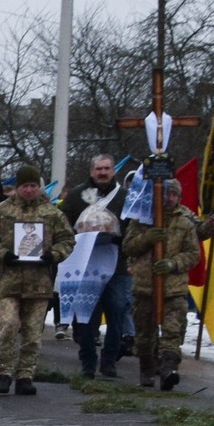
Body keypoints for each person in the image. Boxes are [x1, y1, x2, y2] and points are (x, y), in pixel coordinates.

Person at [0, 162, 73, 395]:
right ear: (17, 187)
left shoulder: (51, 213)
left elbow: (68, 240)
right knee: (8, 326)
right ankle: (4, 372)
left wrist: (53, 255)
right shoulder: (1, 211)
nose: (29, 190)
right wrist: (2, 254)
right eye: (24, 186)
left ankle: (25, 375)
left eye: (33, 186)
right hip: (8, 282)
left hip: (39, 284)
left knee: (32, 333)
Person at [120, 171, 202, 391]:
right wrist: (147, 238)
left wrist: (172, 263)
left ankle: (168, 371)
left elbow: (193, 254)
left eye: (174, 195)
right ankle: (146, 370)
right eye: (166, 193)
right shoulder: (142, 219)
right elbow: (128, 246)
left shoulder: (184, 222)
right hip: (145, 287)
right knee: (145, 336)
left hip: (173, 289)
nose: (170, 199)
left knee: (172, 333)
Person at [61, 153, 133, 378]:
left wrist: (119, 237)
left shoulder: (124, 197)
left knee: (117, 312)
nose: (103, 173)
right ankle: (88, 361)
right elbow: (62, 226)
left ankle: (109, 361)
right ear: (91, 171)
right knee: (86, 316)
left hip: (118, 266)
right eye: (98, 169)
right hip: (85, 267)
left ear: (113, 171)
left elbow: (134, 228)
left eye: (107, 168)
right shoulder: (77, 196)